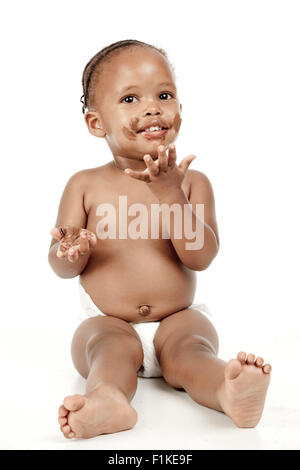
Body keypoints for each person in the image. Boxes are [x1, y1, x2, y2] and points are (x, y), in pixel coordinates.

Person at [48, 39, 271, 440]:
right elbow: (62, 265)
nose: (152, 107)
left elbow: (200, 257)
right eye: (130, 98)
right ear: (96, 123)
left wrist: (172, 197)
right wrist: (68, 252)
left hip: (178, 318)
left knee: (191, 353)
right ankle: (108, 399)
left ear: (180, 112)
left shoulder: (193, 182)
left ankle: (227, 389)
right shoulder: (84, 185)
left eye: (164, 95)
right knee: (103, 348)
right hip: (110, 322)